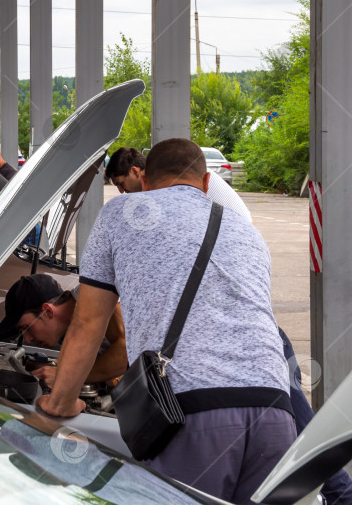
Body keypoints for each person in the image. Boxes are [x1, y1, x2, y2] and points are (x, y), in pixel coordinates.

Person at [39, 138, 295, 504]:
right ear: (207, 184)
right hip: (276, 413)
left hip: (191, 417)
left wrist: (60, 402)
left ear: (143, 181)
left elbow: (88, 323)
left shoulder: (121, 213)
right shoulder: (247, 231)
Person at [0, 275, 127, 388]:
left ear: (48, 311)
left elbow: (126, 351)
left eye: (26, 328)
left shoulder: (95, 292)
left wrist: (67, 377)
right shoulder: (77, 324)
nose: (27, 339)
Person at [106, 147, 252, 221]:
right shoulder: (156, 190)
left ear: (135, 172)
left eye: (121, 183)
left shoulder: (172, 186)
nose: (121, 191)